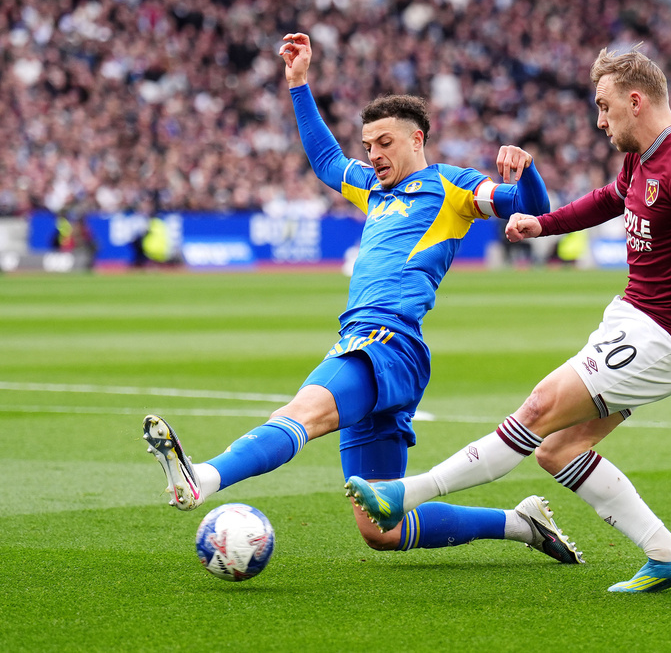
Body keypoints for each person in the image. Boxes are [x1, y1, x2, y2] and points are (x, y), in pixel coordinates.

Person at [346, 46, 671, 593]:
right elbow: (611, 197)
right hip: (634, 318)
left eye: (604, 107)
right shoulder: (644, 156)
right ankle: (668, 555)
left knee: (538, 409)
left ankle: (405, 493)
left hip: (666, 337)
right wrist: (543, 224)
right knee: (560, 450)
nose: (599, 121)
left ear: (635, 100)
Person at [143, 32, 584, 565]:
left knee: (304, 411)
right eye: (369, 144)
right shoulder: (372, 188)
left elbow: (530, 209)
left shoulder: (453, 187)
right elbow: (328, 160)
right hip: (385, 351)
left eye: (385, 143)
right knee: (382, 529)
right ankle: (520, 524)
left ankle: (204, 477)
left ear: (417, 139)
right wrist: (299, 84)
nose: (373, 154)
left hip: (385, 340)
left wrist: (528, 170)